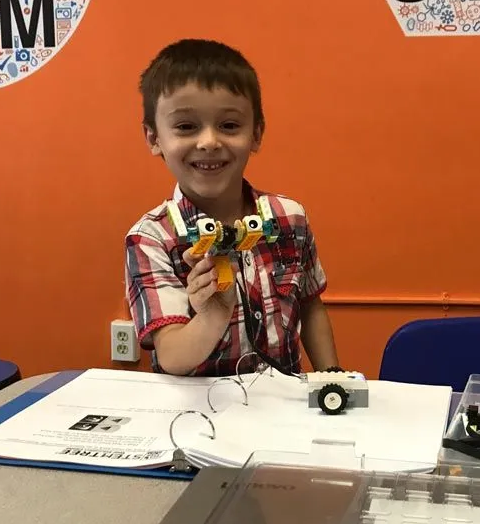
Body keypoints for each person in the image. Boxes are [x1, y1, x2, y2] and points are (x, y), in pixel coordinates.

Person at [124, 38, 340, 377]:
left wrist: (333, 379)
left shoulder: (289, 217)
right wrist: (212, 315)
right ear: (154, 139)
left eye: (229, 125)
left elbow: (310, 305)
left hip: (282, 400)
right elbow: (171, 356)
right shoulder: (151, 238)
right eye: (186, 126)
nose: (209, 142)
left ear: (256, 134)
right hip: (198, 406)